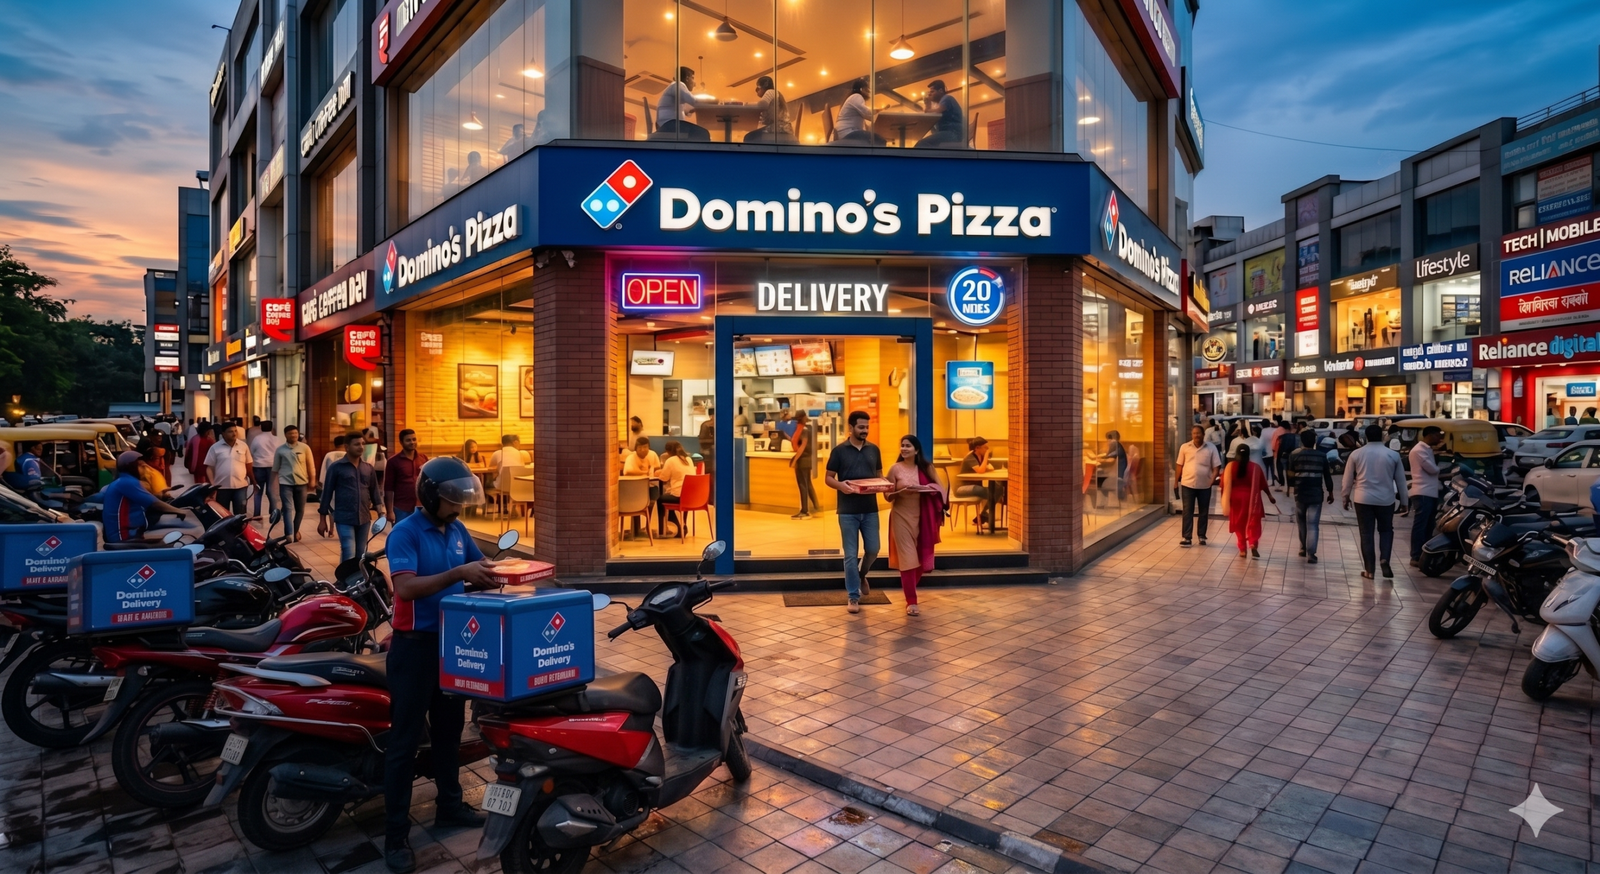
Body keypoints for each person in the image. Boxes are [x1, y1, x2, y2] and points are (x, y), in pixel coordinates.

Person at [381, 457, 496, 873]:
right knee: (405, 745)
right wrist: (458, 573)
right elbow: (407, 588)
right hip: (413, 651)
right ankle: (395, 837)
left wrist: (502, 573)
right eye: (452, 501)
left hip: (451, 649)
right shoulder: (405, 533)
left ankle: (450, 806)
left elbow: (481, 568)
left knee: (448, 734)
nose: (458, 508)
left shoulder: (458, 530)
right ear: (430, 497)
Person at [825, 411, 883, 613]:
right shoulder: (839, 451)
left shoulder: (874, 450)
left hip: (870, 510)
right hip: (847, 511)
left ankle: (861, 574)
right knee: (850, 555)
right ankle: (853, 597)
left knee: (874, 549)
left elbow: (879, 476)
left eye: (867, 427)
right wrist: (841, 486)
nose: (865, 430)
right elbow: (829, 478)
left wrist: (883, 486)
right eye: (861, 427)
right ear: (850, 428)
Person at [886, 435, 946, 616]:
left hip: (922, 518)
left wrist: (924, 489)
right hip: (900, 517)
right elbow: (887, 496)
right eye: (902, 445)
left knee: (918, 561)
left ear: (916, 450)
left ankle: (910, 588)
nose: (904, 449)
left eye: (908, 446)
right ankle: (911, 601)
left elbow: (941, 490)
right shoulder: (895, 469)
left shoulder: (927, 468)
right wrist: (900, 491)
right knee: (908, 560)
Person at [1343, 424, 1409, 580]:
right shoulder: (1392, 455)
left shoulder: (1356, 454)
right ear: (1382, 436)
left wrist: (1345, 496)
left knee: (1366, 534)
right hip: (1386, 500)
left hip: (1362, 498)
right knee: (1386, 530)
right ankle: (1384, 558)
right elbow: (1401, 481)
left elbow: (1347, 479)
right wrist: (1405, 502)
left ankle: (1369, 571)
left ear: (1365, 437)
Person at [318, 432, 386, 564]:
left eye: (362, 444)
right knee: (348, 550)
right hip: (344, 517)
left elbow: (375, 493)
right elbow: (326, 494)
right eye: (356, 444)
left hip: (364, 518)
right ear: (347, 447)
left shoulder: (368, 468)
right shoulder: (336, 467)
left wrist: (381, 514)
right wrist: (322, 520)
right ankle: (345, 581)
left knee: (361, 553)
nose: (361, 447)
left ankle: (358, 580)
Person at [1222, 444, 1275, 559]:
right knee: (1254, 522)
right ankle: (1253, 543)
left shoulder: (1230, 467)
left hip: (1236, 499)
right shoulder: (1255, 467)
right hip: (1252, 498)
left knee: (1239, 524)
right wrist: (1270, 496)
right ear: (1248, 454)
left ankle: (1242, 549)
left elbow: (1224, 484)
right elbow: (1263, 484)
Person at [1288, 430, 1334, 563]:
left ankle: (1302, 548)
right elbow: (1327, 475)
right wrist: (1330, 492)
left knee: (1301, 521)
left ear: (1302, 441)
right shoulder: (1321, 456)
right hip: (1316, 493)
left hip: (1300, 493)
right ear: (1314, 442)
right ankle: (1311, 554)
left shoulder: (1294, 455)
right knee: (1313, 524)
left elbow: (1290, 475)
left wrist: (1292, 487)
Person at [1175, 425, 1223, 547]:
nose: (1196, 435)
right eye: (1194, 433)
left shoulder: (1211, 448)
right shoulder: (1184, 447)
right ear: (1192, 435)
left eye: (1198, 433)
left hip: (1205, 485)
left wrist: (1212, 480)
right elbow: (1179, 465)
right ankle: (1187, 537)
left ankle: (1201, 536)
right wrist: (1176, 481)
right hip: (1187, 484)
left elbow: (1216, 467)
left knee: (1203, 511)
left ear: (1203, 434)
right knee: (1187, 511)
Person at [1408, 425, 1444, 567]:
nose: (1440, 438)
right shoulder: (1419, 450)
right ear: (1429, 435)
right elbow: (1432, 469)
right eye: (1437, 435)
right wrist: (1441, 470)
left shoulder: (1427, 449)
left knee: (1429, 525)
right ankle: (1415, 555)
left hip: (1430, 491)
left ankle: (1424, 554)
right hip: (1423, 492)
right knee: (1421, 525)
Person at [273, 426, 316, 542]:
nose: (294, 436)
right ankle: (289, 534)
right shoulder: (280, 450)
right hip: (285, 482)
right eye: (291, 434)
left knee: (300, 509)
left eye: (295, 433)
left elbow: (310, 465)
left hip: (302, 483)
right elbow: (275, 469)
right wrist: (273, 485)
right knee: (287, 508)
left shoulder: (305, 448)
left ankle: (295, 530)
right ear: (285, 435)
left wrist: (312, 480)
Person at [205, 424, 254, 517]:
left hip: (240, 487)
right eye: (230, 431)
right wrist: (213, 485)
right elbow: (209, 468)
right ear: (223, 434)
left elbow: (248, 464)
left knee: (240, 515)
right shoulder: (215, 447)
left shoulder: (243, 446)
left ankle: (239, 531)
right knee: (223, 516)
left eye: (235, 431)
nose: (234, 433)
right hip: (222, 488)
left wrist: (253, 481)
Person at [655, 67, 710, 140]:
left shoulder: (673, 86)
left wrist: (694, 109)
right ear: (687, 78)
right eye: (692, 78)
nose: (694, 84)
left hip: (666, 124)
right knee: (703, 133)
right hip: (670, 124)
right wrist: (710, 102)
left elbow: (687, 110)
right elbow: (694, 101)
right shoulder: (678, 84)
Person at [957, 437, 1000, 531]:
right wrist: (986, 456)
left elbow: (988, 468)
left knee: (999, 488)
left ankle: (983, 515)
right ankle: (985, 516)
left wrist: (985, 461)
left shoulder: (980, 456)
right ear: (977, 448)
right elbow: (981, 471)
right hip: (963, 488)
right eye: (985, 447)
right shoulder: (970, 457)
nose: (987, 449)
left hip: (975, 486)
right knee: (988, 492)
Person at [386, 429, 429, 521]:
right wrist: (389, 511)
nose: (412, 442)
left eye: (414, 439)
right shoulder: (393, 461)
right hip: (401, 509)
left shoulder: (423, 458)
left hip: (420, 508)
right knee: (402, 534)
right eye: (408, 440)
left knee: (419, 534)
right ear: (401, 442)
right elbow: (388, 489)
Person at [657, 441, 695, 536]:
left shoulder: (670, 460)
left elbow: (663, 478)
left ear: (668, 452)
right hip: (692, 496)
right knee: (668, 496)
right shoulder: (688, 459)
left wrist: (658, 472)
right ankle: (682, 524)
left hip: (680, 495)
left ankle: (673, 526)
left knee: (661, 500)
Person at [915, 79, 965, 148]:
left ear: (941, 91)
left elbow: (936, 112)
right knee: (925, 144)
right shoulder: (942, 102)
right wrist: (928, 105)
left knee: (922, 144)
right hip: (951, 133)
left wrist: (928, 104)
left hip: (953, 133)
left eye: (932, 91)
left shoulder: (947, 98)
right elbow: (930, 115)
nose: (929, 94)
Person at [249, 421, 284, 521]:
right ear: (272, 428)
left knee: (258, 491)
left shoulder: (257, 439)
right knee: (272, 491)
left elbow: (252, 451)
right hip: (273, 467)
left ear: (261, 427)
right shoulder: (277, 439)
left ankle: (256, 514)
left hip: (259, 466)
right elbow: (280, 452)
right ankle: (273, 513)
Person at [834, 78, 886, 144]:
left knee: (873, 138)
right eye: (867, 89)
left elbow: (865, 115)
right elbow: (867, 113)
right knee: (879, 140)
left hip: (844, 132)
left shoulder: (852, 98)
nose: (868, 92)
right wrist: (878, 111)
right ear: (862, 89)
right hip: (848, 132)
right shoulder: (857, 96)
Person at [790, 410, 819, 519]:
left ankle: (805, 510)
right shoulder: (806, 429)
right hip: (807, 459)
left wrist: (794, 460)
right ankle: (815, 507)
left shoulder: (803, 430)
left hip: (803, 460)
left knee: (802, 485)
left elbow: (802, 447)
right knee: (807, 484)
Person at [744, 76, 792, 143]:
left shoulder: (771, 92)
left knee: (749, 137)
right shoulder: (776, 93)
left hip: (777, 129)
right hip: (783, 128)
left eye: (758, 87)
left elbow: (761, 105)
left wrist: (745, 104)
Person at [1090, 431, 1129, 507]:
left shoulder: (1115, 445)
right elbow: (1108, 456)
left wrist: (1098, 460)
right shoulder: (1118, 445)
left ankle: (1101, 503)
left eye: (1108, 439)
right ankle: (1103, 502)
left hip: (1117, 478)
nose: (1107, 442)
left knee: (1097, 479)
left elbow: (1110, 460)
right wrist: (1100, 457)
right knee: (1100, 475)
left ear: (1112, 439)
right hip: (1118, 476)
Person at [1274, 423, 1300, 493]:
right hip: (1294, 456)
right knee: (1291, 471)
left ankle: (1283, 485)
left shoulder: (1282, 437)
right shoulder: (1297, 437)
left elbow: (1280, 447)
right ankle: (1291, 486)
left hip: (1283, 456)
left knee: (1281, 470)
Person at [1259, 419, 1281, 488]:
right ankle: (1273, 481)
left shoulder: (1263, 431)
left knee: (1266, 467)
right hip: (1273, 451)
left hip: (1265, 452)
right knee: (1272, 467)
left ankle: (1267, 481)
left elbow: (1261, 441)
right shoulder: (1274, 430)